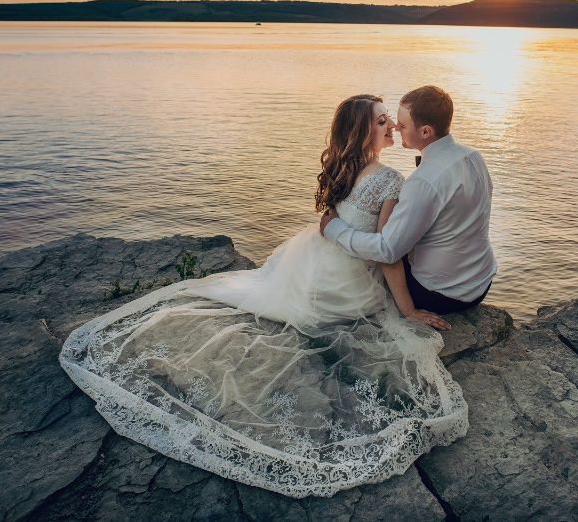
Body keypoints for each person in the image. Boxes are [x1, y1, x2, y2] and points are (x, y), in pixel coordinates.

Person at [59, 94, 468, 499]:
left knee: (256, 290)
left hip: (313, 262)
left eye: (390, 120)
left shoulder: (346, 169)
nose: (392, 126)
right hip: (343, 281)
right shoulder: (389, 180)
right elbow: (388, 257)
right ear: (363, 132)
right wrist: (408, 309)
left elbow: (342, 227)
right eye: (382, 121)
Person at [321, 85, 497, 314]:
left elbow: (388, 250)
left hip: (442, 293)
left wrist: (335, 229)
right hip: (481, 281)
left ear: (425, 132)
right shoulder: (474, 157)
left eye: (402, 125)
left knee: (380, 250)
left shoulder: (422, 182)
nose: (395, 127)